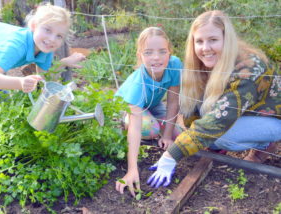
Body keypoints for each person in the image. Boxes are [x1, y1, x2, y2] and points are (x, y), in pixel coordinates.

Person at [147, 10, 281, 188]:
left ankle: (265, 145)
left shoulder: (248, 70)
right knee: (206, 128)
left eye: (213, 40)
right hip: (245, 111)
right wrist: (194, 135)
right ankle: (222, 145)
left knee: (222, 136)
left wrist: (171, 155)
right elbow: (193, 107)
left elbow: (219, 120)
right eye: (199, 41)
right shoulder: (202, 64)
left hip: (273, 119)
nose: (205, 48)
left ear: (226, 39)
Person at [115, 27, 183, 196]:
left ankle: (159, 128)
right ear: (140, 55)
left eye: (162, 51)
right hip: (127, 109)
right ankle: (120, 124)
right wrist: (132, 169)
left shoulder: (174, 65)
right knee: (151, 129)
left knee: (179, 136)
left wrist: (167, 135)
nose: (156, 57)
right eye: (148, 52)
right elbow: (136, 128)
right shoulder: (138, 85)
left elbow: (173, 102)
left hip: (152, 105)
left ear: (169, 52)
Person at [0, 3, 85, 100]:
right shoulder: (16, 46)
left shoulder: (45, 47)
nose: (52, 39)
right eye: (48, 30)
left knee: (1, 97)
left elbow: (45, 80)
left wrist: (63, 63)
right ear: (34, 26)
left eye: (59, 36)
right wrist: (20, 82)